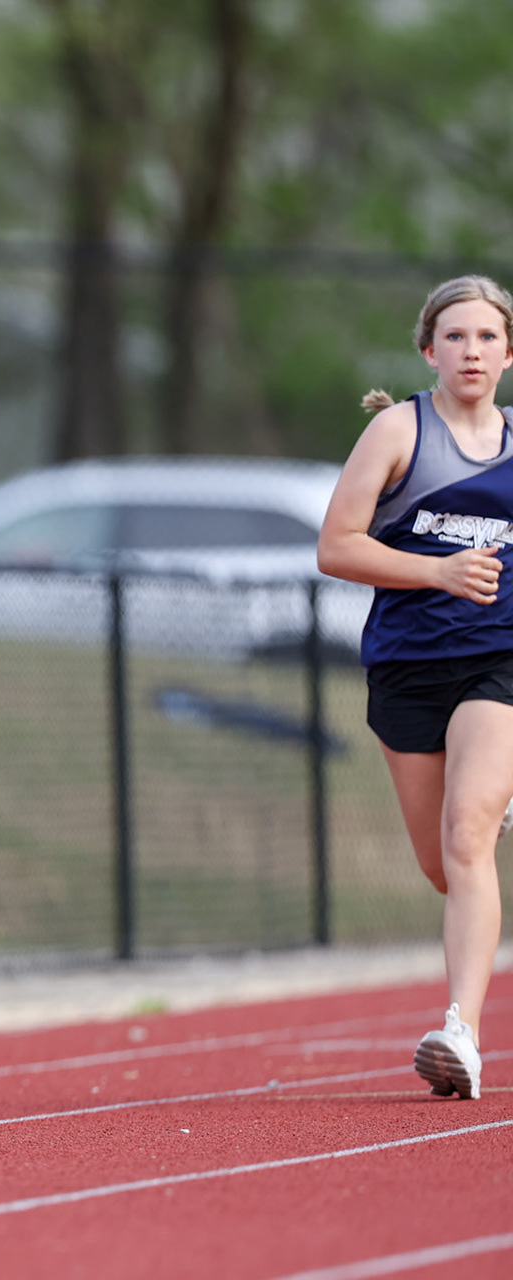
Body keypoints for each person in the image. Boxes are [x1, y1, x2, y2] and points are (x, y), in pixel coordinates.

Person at [318, 274, 513, 1100]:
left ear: (510, 352)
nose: (473, 352)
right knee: (445, 866)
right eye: (457, 337)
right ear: (429, 349)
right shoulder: (400, 430)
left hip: (497, 659)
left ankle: (460, 1033)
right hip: (406, 667)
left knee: (469, 835)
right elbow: (336, 546)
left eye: (488, 338)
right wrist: (436, 572)